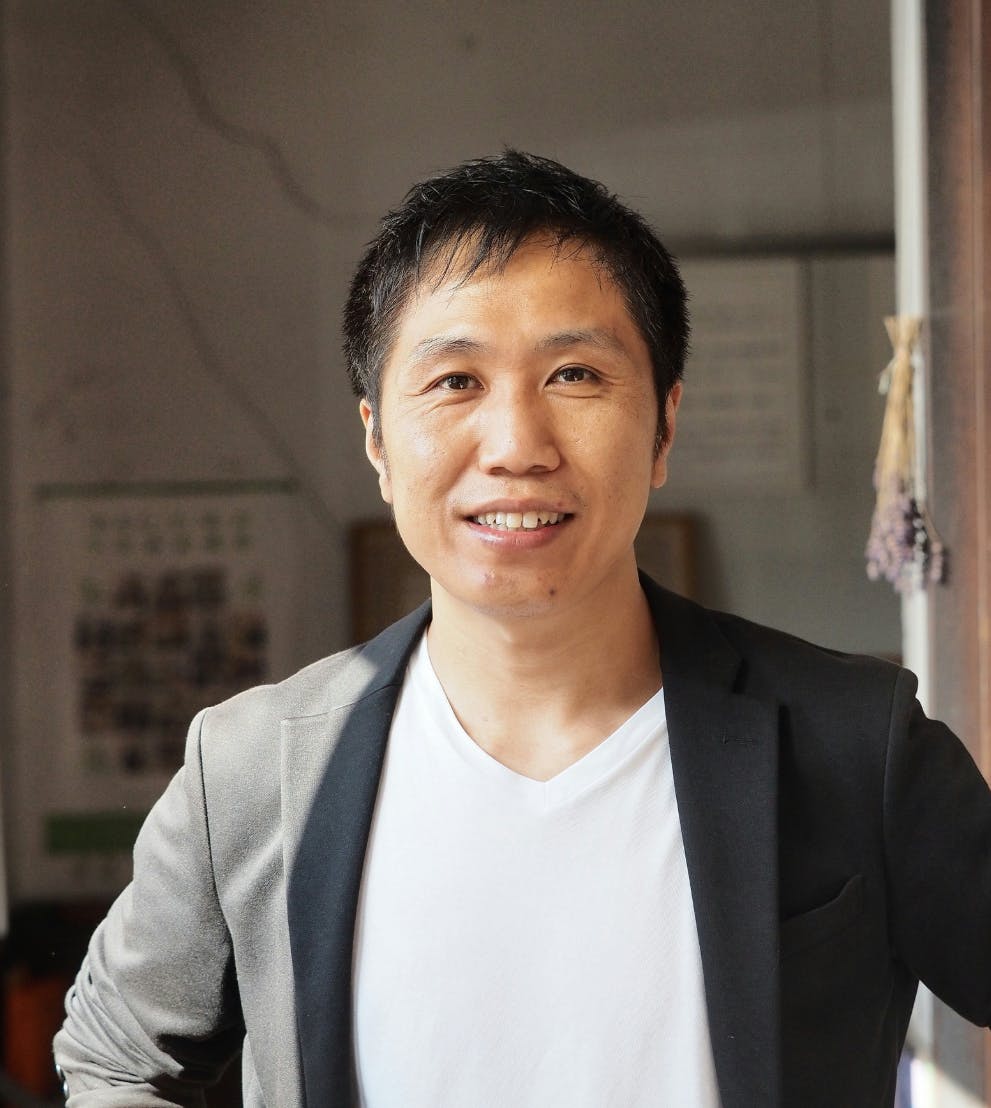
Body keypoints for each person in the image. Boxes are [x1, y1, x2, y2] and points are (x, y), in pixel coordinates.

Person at [54, 151, 991, 1108]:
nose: (515, 447)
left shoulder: (853, 742)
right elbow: (115, 1059)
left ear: (664, 427)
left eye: (574, 374)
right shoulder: (255, 770)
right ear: (377, 439)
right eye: (454, 381)